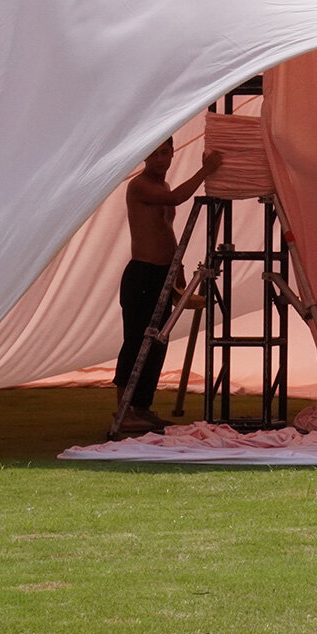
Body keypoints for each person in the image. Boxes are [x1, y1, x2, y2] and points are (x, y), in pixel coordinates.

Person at [114, 137, 222, 430]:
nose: (161, 160)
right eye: (154, 154)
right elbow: (176, 199)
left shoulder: (161, 185)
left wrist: (179, 268)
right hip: (142, 273)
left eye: (165, 153)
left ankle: (142, 407)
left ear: (173, 152)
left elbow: (166, 230)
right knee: (136, 341)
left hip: (163, 273)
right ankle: (123, 411)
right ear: (145, 156)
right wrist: (205, 171)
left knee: (157, 344)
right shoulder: (138, 186)